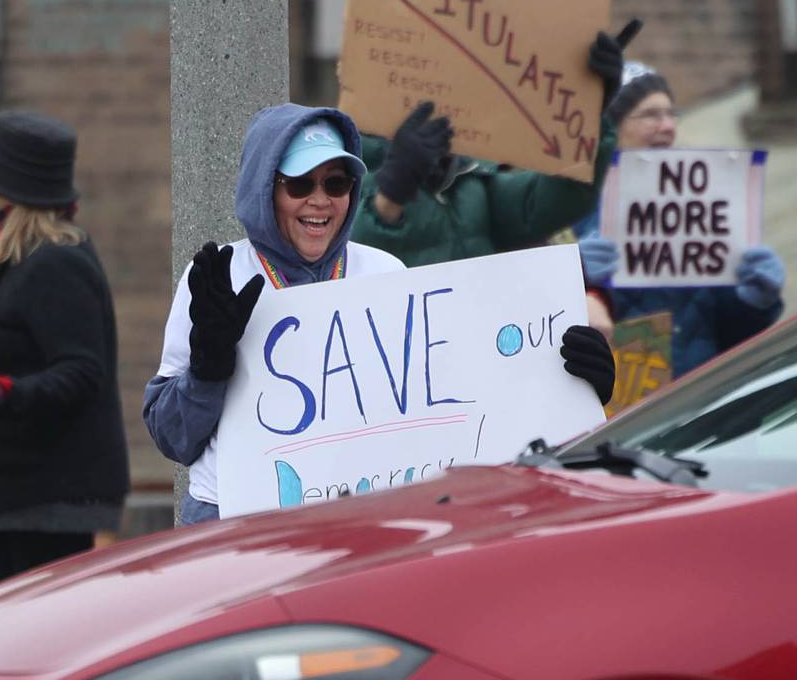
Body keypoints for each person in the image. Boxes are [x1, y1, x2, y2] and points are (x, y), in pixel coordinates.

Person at [144, 103, 616, 524]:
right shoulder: (217, 278)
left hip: (358, 525)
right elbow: (173, 439)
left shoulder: (384, 271)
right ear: (264, 188)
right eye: (299, 183)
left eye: (336, 182)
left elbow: (459, 400)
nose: (319, 199)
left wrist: (570, 386)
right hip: (235, 525)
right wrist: (207, 371)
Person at [576, 62, 786, 378]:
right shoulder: (567, 209)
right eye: (650, 115)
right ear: (609, 127)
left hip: (704, 402)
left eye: (671, 114)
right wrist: (571, 274)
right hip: (622, 416)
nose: (668, 126)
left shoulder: (702, 206)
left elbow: (732, 335)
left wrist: (754, 301)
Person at [350, 30, 625, 267]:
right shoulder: (341, 174)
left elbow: (560, 198)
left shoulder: (466, 179)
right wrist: (391, 195)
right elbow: (345, 259)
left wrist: (586, 115)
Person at [0, 110, 129, 581]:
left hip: (49, 507)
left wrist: (8, 391)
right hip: (20, 501)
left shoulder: (55, 264)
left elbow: (81, 371)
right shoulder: (20, 262)